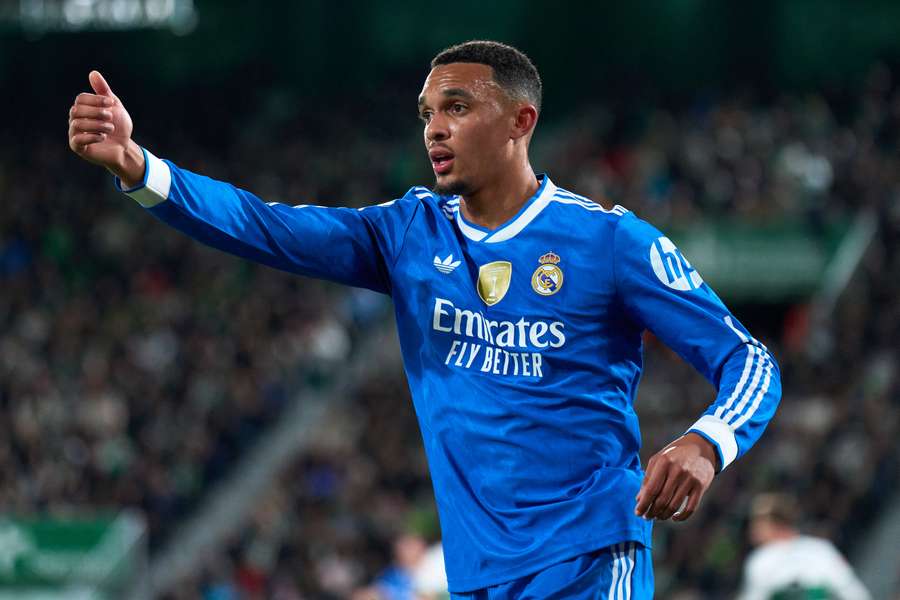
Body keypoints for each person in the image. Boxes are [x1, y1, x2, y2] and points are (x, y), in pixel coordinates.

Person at [68, 40, 781, 599]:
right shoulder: (406, 234)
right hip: (474, 572)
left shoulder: (610, 244)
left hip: (589, 557)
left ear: (520, 121)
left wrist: (705, 442)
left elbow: (749, 361)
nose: (435, 130)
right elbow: (266, 226)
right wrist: (139, 166)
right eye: (426, 114)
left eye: (458, 108)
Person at [738, 493, 870, 600]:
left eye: (758, 523)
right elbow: (851, 590)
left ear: (777, 522)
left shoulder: (760, 560)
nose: (753, 530)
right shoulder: (820, 548)